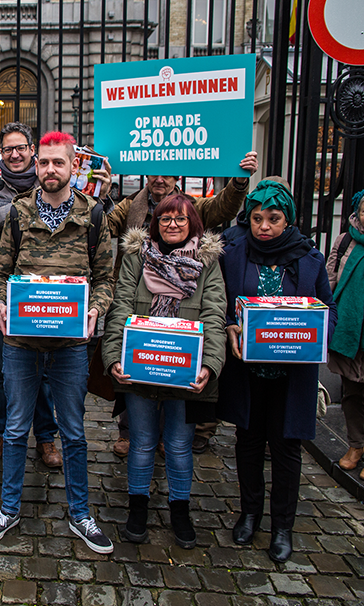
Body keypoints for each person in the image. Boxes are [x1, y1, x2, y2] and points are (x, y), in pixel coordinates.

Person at [0, 131, 115, 554]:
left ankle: (80, 513)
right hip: (21, 340)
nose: (51, 170)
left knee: (73, 431)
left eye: (60, 162)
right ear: (37, 165)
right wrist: (0, 304)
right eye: (45, 163)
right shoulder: (17, 214)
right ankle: (9, 506)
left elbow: (106, 279)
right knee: (17, 427)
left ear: (74, 166)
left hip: (71, 344)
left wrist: (96, 310)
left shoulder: (93, 216)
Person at [101, 153, 259, 458]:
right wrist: (102, 195)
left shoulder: (190, 206)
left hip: (182, 306)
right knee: (137, 365)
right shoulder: (131, 204)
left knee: (173, 369)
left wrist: (239, 182)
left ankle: (165, 435)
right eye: (154, 173)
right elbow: (103, 226)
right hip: (139, 299)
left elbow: (221, 207)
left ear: (177, 176)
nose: (160, 179)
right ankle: (130, 432)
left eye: (167, 173)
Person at [217, 180, 337, 563]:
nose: (264, 226)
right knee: (248, 442)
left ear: (288, 220)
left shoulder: (309, 258)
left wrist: (315, 333)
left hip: (292, 372)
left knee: (286, 449)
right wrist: (229, 325)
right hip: (248, 371)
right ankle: (250, 513)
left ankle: (282, 525)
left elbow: (328, 310)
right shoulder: (234, 254)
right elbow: (221, 303)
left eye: (273, 218)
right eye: (256, 218)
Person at [102, 194, 226, 548]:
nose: (172, 224)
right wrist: (113, 358)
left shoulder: (207, 263)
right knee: (141, 443)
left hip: (185, 373)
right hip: (139, 371)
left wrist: (210, 365)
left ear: (193, 224)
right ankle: (137, 508)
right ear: (155, 222)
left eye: (181, 219)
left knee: (178, 444)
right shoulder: (136, 258)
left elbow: (215, 315)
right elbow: (120, 308)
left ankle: (180, 510)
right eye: (165, 218)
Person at [0, 122, 62, 467]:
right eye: (7, 149)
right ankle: (1, 431)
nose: (15, 154)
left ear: (32, 149)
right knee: (3, 370)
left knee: (45, 368)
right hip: (3, 292)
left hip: (46, 292)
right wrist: (20, 207)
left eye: (20, 147)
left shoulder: (51, 181)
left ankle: (47, 438)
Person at [326, 189, 364, 474]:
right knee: (352, 391)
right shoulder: (346, 240)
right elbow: (330, 278)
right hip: (351, 329)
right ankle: (356, 443)